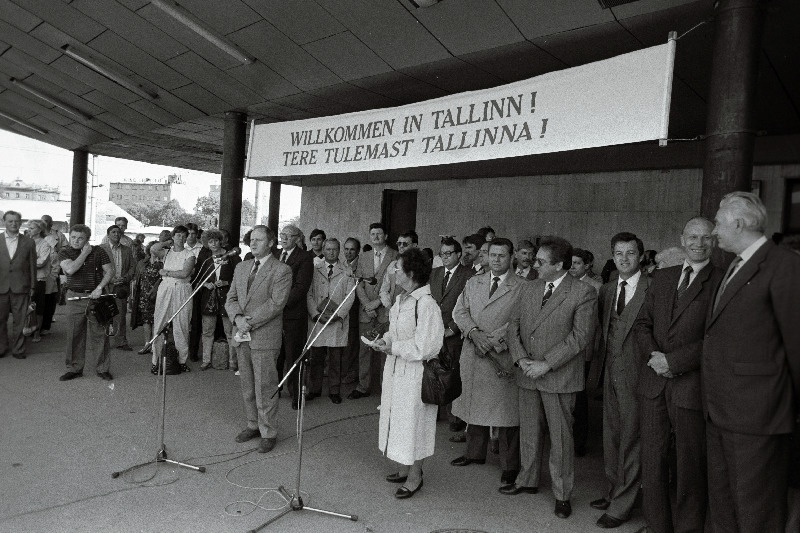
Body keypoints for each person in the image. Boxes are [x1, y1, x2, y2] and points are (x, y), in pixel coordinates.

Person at [703, 191, 800, 532]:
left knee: (755, 509)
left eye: (717, 222)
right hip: (721, 411)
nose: (714, 230)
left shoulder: (784, 265)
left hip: (758, 416)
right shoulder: (735, 264)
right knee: (725, 504)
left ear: (739, 224)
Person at [633, 217, 721, 533]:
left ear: (715, 241)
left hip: (690, 386)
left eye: (706, 237)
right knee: (653, 461)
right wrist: (655, 358)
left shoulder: (722, 281)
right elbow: (642, 324)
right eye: (693, 236)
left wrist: (674, 361)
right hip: (654, 383)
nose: (699, 243)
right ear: (682, 239)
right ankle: (657, 526)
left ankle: (688, 528)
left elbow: (717, 337)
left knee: (689, 465)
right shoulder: (664, 277)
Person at [503, 236, 596, 520]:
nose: (534, 264)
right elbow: (513, 326)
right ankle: (527, 480)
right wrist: (520, 359)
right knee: (529, 432)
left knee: (561, 439)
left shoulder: (582, 293)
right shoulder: (529, 288)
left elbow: (580, 338)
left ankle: (562, 494)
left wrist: (545, 364)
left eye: (542, 262)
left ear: (559, 265)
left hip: (558, 376)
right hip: (527, 372)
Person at [372, 247, 444, 499]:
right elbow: (396, 332)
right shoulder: (402, 300)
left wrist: (394, 347)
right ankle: (404, 467)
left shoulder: (426, 305)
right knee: (398, 420)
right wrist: (385, 340)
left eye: (398, 269)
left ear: (411, 273)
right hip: (395, 370)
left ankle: (416, 476)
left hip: (416, 375)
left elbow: (427, 346)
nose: (393, 272)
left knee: (415, 424)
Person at [451, 238, 523, 486]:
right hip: (474, 350)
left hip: (500, 356)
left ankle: (510, 466)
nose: (496, 260)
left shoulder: (523, 287)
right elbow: (459, 311)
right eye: (492, 255)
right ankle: (474, 453)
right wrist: (473, 333)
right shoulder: (474, 281)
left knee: (506, 415)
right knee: (473, 405)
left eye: (502, 255)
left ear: (511, 256)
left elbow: (519, 321)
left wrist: (492, 341)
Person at [591, 232, 650, 529]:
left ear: (640, 256)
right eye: (618, 253)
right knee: (611, 436)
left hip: (638, 376)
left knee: (632, 439)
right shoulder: (607, 289)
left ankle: (622, 504)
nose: (624, 258)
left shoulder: (653, 288)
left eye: (630, 253)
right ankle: (614, 489)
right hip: (610, 372)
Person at [226, 226, 291, 454]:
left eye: (259, 240)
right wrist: (237, 317)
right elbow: (231, 298)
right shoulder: (241, 267)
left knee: (265, 386)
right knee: (247, 386)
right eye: (251, 240)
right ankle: (253, 424)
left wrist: (247, 322)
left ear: (271, 243)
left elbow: (276, 303)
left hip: (264, 337)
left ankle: (268, 431)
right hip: (242, 335)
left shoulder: (281, 270)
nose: (253, 244)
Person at [429, 237, 473, 438]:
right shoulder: (435, 273)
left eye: (448, 254)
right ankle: (435, 412)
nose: (445, 257)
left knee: (454, 373)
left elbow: (469, 306)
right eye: (442, 254)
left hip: (454, 333)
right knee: (434, 371)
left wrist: (453, 328)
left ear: (458, 254)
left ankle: (455, 417)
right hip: (434, 331)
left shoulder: (468, 275)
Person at [59, 224, 115, 381]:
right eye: (73, 237)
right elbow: (70, 269)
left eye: (80, 238)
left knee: (100, 334)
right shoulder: (65, 251)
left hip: (95, 298)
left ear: (87, 239)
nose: (76, 241)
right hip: (74, 297)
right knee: (74, 335)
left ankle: (103, 368)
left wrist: (100, 288)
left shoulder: (99, 251)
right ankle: (74, 368)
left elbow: (110, 271)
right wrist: (85, 253)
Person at [305, 238, 356, 403]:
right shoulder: (314, 269)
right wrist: (314, 313)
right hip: (318, 319)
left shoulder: (347, 271)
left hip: (336, 320)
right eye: (328, 249)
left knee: (336, 359)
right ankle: (314, 389)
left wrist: (338, 315)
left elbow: (350, 296)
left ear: (339, 251)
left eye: (334, 249)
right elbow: (309, 294)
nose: (331, 252)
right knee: (316, 358)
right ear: (323, 250)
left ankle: (334, 390)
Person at [350, 222, 397, 399]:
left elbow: (394, 286)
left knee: (384, 349)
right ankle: (363, 386)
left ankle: (385, 388)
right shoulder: (364, 256)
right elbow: (358, 283)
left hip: (384, 309)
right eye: (373, 234)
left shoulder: (395, 255)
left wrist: (375, 303)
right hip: (366, 310)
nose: (376, 237)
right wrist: (366, 304)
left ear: (385, 236)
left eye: (379, 233)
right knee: (364, 350)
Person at [275, 224, 313, 409]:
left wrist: (279, 303)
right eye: (282, 235)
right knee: (276, 355)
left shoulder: (305, 258)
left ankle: (296, 395)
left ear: (297, 238)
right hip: (274, 315)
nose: (283, 238)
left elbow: (301, 287)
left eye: (288, 236)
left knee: (293, 356)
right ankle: (275, 390)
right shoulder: (275, 255)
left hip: (293, 315)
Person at [569, 247, 602, 457]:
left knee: (579, 399)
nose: (572, 266)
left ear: (587, 266)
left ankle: (579, 441)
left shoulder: (597, 287)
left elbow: (596, 324)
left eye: (577, 263)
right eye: (570, 263)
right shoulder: (565, 284)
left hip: (584, 349)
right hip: (564, 348)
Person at [151, 226, 196, 374]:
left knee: (181, 325)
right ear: (173, 237)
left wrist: (166, 272)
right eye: (178, 236)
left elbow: (184, 273)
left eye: (184, 236)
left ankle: (182, 360)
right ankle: (155, 360)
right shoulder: (166, 252)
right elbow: (153, 249)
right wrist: (167, 242)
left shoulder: (190, 254)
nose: (181, 239)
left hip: (182, 289)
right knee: (159, 322)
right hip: (166, 288)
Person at [197, 229, 239, 371]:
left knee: (229, 331)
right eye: (210, 241)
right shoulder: (205, 257)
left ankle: (233, 361)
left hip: (227, 297)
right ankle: (206, 360)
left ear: (221, 241)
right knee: (207, 331)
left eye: (215, 240)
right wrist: (205, 284)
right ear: (206, 244)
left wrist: (227, 282)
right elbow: (197, 277)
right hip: (209, 298)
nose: (213, 244)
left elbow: (240, 276)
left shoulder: (231, 256)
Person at [0, 211, 36, 359]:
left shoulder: (28, 242)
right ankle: (1, 348)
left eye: (16, 221)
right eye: (10, 221)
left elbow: (32, 266)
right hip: (0, 286)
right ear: (4, 222)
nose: (13, 224)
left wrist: (33, 286)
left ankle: (18, 349)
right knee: (0, 320)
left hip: (21, 286)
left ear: (20, 223)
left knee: (20, 320)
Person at [100, 225, 136, 351]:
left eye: (118, 232)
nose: (116, 234)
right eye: (113, 232)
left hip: (121, 286)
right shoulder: (101, 249)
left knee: (120, 315)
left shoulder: (127, 250)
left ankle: (121, 341)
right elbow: (97, 268)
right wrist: (109, 279)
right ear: (108, 234)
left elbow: (132, 267)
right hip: (105, 286)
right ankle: (103, 342)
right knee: (104, 314)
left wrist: (125, 278)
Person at [131, 240, 166, 359]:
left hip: (158, 294)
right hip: (144, 295)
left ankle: (156, 344)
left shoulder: (163, 263)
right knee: (146, 320)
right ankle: (147, 343)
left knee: (157, 319)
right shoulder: (142, 263)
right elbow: (137, 279)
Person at [26, 220, 53, 344]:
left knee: (38, 307)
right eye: (28, 227)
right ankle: (28, 328)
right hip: (24, 279)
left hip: (38, 279)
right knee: (26, 306)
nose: (29, 229)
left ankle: (37, 332)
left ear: (39, 230)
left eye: (32, 227)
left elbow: (42, 262)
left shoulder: (44, 244)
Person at [380, 231, 417, 310]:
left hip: (411, 310)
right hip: (392, 310)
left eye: (405, 244)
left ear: (414, 245)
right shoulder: (393, 265)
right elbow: (384, 290)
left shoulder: (419, 266)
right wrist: (389, 306)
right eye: (399, 243)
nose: (401, 246)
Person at [342, 237, 361, 385]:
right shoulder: (342, 265)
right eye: (346, 249)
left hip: (355, 309)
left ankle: (352, 373)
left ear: (358, 251)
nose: (348, 252)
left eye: (352, 249)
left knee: (352, 343)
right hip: (342, 309)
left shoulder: (360, 266)